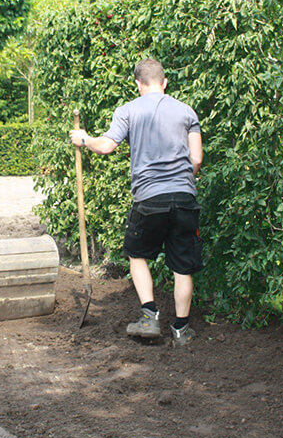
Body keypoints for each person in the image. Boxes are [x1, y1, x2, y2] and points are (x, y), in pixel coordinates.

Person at [69, 58, 203, 346]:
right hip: (184, 198)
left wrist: (83, 139)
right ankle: (181, 330)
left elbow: (106, 146)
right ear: (164, 82)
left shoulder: (128, 110)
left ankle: (150, 316)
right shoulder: (186, 111)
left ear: (138, 84)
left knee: (136, 254)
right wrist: (181, 182)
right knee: (182, 267)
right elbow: (197, 159)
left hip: (149, 199)